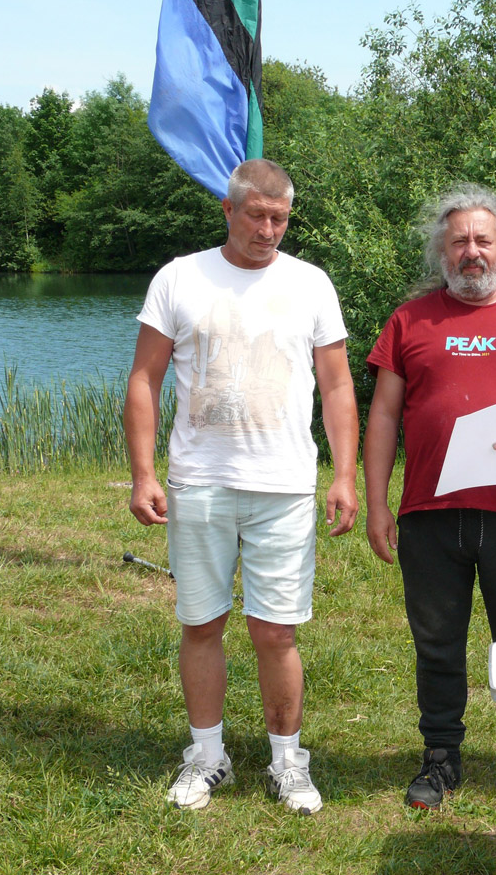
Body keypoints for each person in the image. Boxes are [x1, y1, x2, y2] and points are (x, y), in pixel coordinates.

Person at [124, 159, 359, 816]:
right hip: (199, 482)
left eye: (279, 218)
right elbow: (144, 379)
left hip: (284, 486)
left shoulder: (311, 284)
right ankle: (207, 757)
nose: (268, 230)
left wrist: (344, 476)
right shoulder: (180, 277)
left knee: (276, 632)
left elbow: (338, 385)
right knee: (202, 623)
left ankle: (288, 762)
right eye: (256, 215)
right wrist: (143, 473)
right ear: (228, 210)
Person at [363, 184, 496, 813]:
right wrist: (377, 503)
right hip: (429, 513)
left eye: (483, 240)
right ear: (442, 252)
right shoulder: (410, 320)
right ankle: (441, 757)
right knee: (436, 639)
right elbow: (384, 416)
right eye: (459, 241)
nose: (472, 251)